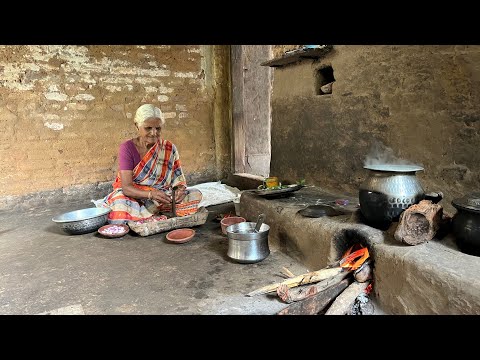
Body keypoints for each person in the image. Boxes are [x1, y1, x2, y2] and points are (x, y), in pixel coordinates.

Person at [101, 104, 203, 224]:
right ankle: (152, 214)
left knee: (195, 194)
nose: (154, 133)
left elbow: (178, 178)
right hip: (135, 196)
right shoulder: (127, 148)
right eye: (148, 128)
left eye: (158, 128)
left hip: (161, 196)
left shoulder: (169, 148)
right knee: (120, 206)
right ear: (137, 126)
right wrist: (150, 194)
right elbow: (127, 187)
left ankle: (147, 215)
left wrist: (180, 190)